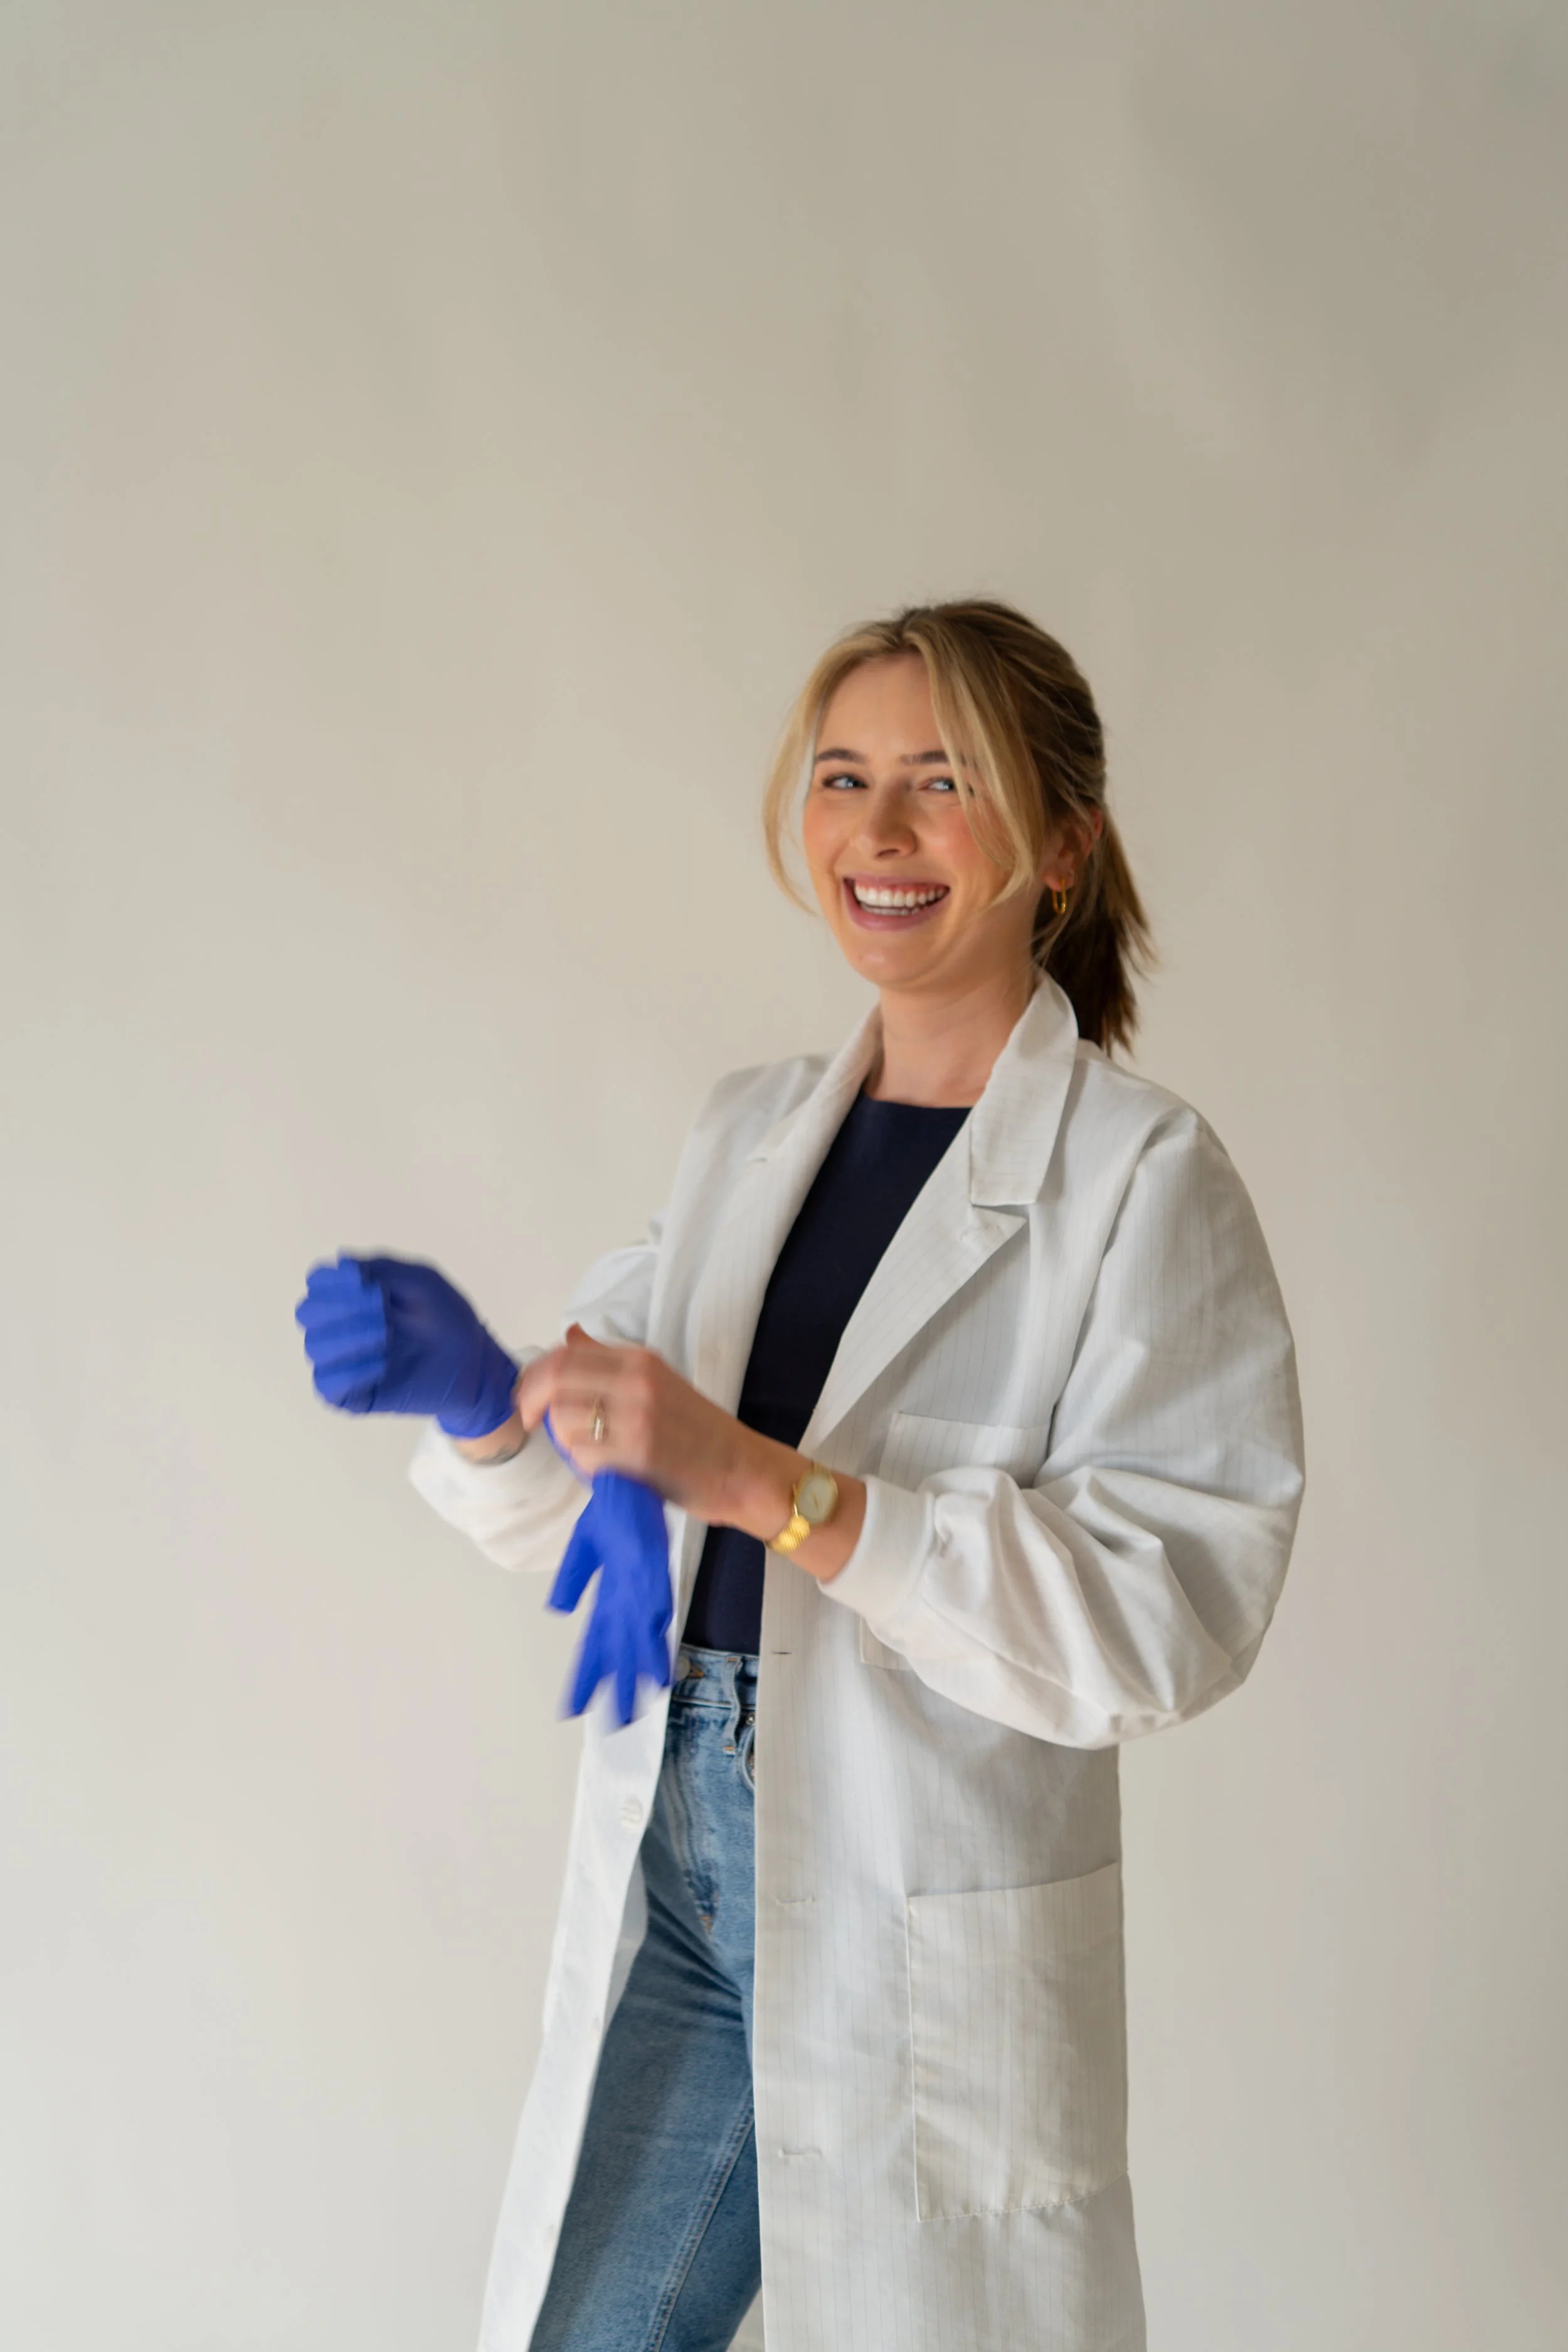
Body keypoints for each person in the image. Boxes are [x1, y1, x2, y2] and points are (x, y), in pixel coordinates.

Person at [296, 599, 1305, 2352]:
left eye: (942, 780)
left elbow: (1167, 1616)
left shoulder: (1139, 1178)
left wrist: (783, 1492)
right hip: (692, 1846)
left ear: (1059, 843)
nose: (879, 830)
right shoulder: (747, 1131)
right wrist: (484, 1399)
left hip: (900, 1898)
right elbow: (598, 1467)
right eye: (844, 777)